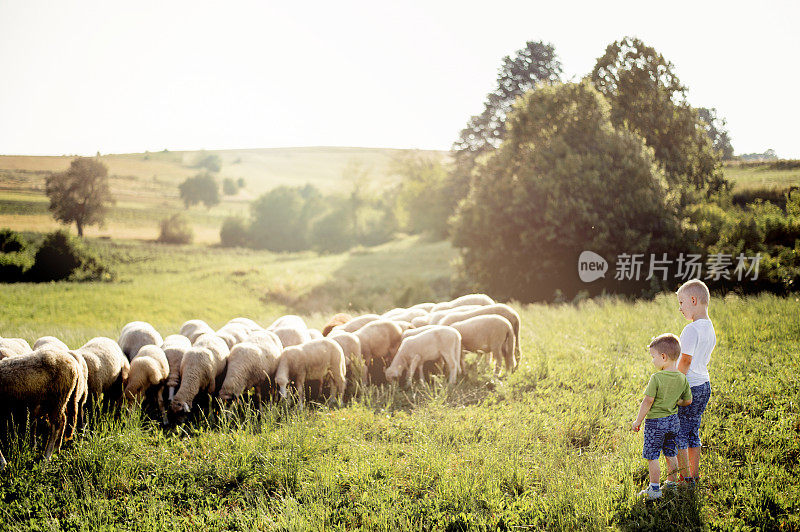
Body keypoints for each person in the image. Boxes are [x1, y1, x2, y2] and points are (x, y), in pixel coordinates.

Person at [631, 333, 693, 500]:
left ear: (663, 357)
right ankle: (671, 485)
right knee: (670, 453)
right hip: (673, 422)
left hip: (655, 424)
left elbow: (648, 401)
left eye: (653, 357)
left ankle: (655, 489)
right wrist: (675, 401)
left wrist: (638, 421)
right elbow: (687, 401)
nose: (652, 360)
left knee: (652, 456)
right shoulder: (682, 378)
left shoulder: (657, 378)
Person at [675, 279, 716, 486]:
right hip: (704, 385)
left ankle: (684, 478)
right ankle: (694, 475)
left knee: (680, 432)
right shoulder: (709, 327)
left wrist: (675, 383)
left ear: (693, 300)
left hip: (689, 386)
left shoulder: (691, 329)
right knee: (693, 430)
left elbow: (686, 360)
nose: (680, 308)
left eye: (681, 302)